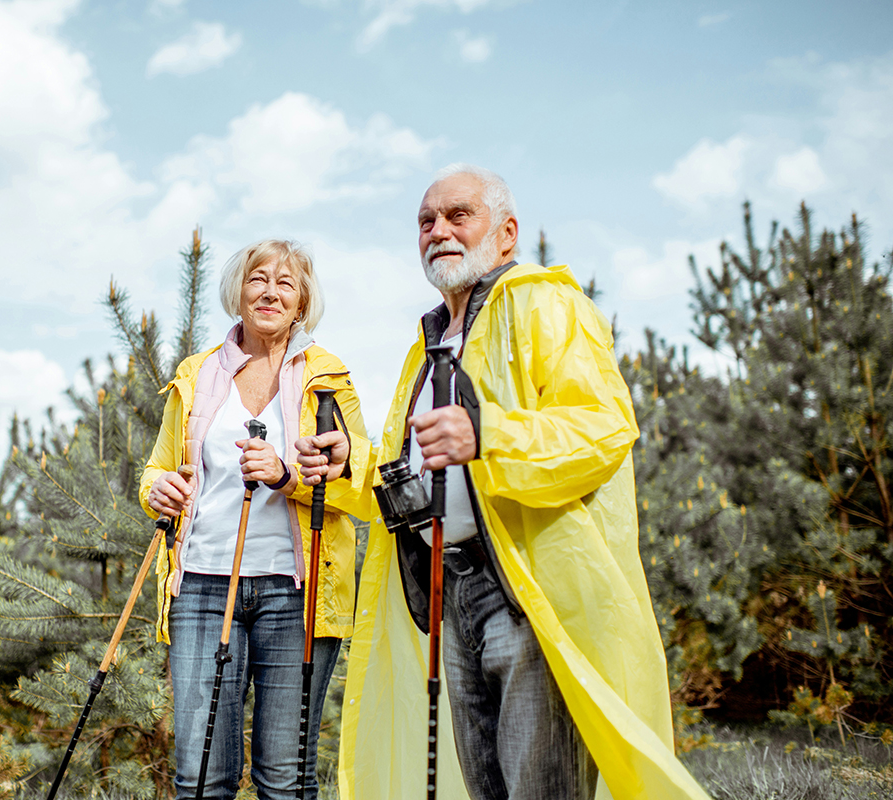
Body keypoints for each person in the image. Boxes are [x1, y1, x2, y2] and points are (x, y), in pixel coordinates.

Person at [296, 166, 711, 800]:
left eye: (458, 215)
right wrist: (350, 463)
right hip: (447, 595)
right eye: (426, 221)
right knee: (486, 788)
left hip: (528, 594)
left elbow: (603, 428)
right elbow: (411, 470)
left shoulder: (545, 302)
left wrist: (488, 434)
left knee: (540, 788)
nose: (438, 231)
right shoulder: (427, 343)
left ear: (507, 232)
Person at [140, 239, 371, 800]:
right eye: (257, 278)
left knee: (285, 778)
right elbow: (158, 468)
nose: (270, 291)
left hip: (294, 592)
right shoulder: (195, 375)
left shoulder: (328, 376)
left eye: (285, 283)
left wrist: (288, 474)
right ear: (237, 293)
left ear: (302, 302)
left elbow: (360, 480)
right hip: (200, 585)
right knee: (199, 778)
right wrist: (157, 490)